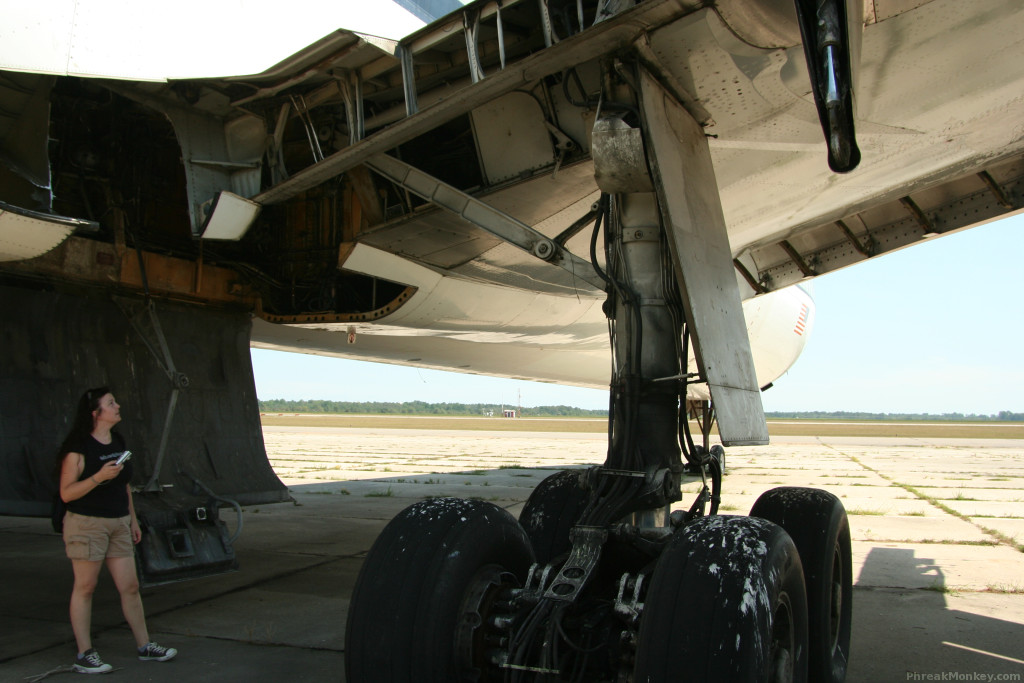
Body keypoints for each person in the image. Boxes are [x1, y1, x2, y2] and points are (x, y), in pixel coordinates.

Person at [56, 386, 178, 674]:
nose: (118, 406)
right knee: (86, 587)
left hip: (119, 522)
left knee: (130, 586)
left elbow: (125, 485)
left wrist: (132, 519)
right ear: (95, 413)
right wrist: (99, 477)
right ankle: (84, 653)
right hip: (87, 524)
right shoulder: (78, 448)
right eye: (111, 403)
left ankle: (145, 645)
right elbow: (66, 493)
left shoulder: (118, 441)